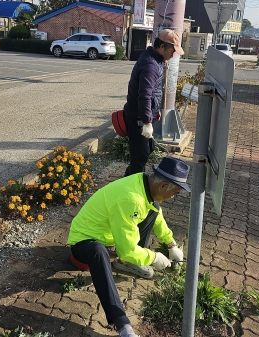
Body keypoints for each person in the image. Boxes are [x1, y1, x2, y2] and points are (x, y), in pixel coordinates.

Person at [67, 156, 189, 337]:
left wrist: (170, 244)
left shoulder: (144, 184)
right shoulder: (131, 199)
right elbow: (127, 250)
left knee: (152, 210)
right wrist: (154, 257)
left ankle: (129, 262)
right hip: (83, 244)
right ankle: (123, 326)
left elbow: (157, 215)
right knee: (99, 252)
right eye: (176, 192)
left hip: (107, 238)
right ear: (163, 186)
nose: (174, 196)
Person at [123, 29, 185, 177]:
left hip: (141, 116)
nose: (173, 54)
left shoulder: (156, 59)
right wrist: (146, 122)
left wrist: (153, 113)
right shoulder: (150, 65)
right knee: (140, 158)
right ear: (162, 47)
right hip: (138, 118)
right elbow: (144, 96)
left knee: (146, 151)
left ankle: (125, 183)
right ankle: (133, 193)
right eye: (172, 50)